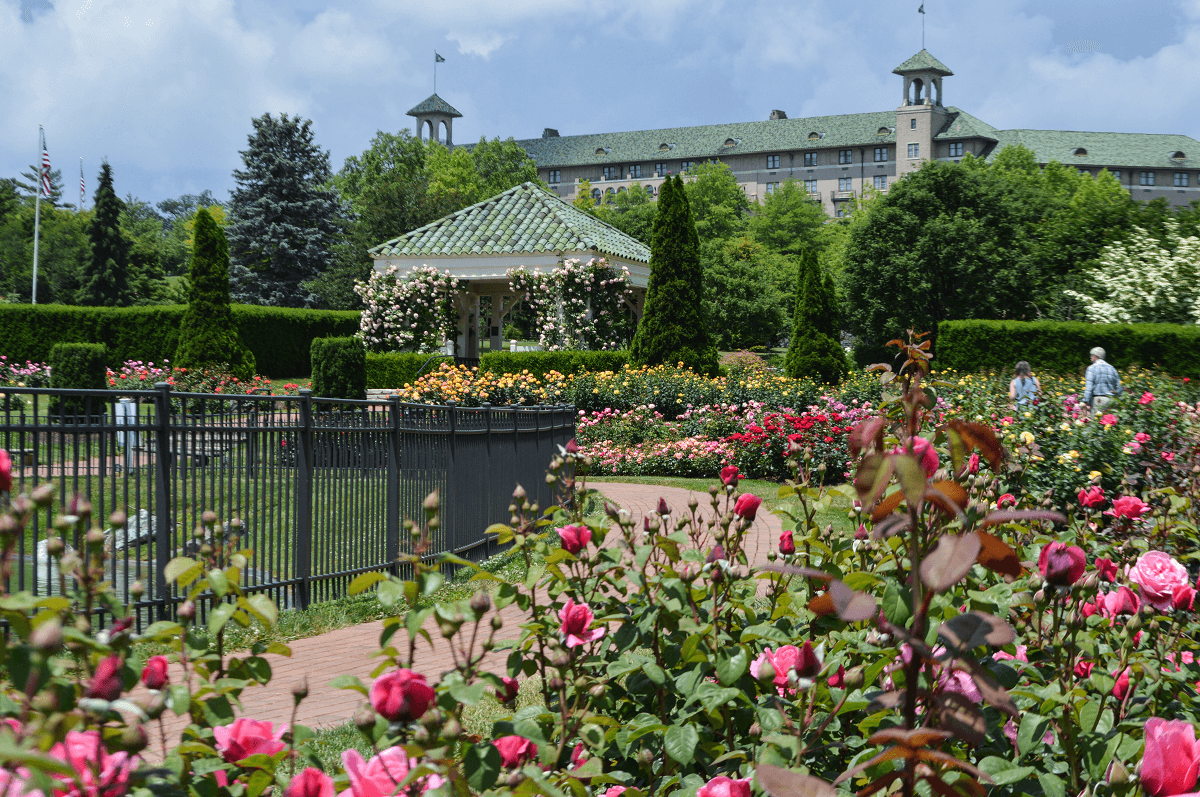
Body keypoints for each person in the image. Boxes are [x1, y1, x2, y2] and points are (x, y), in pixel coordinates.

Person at [1082, 346, 1122, 413]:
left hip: (1098, 400)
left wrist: (1085, 402)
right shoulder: (1112, 368)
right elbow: (1119, 388)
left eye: (1091, 355)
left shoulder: (1091, 368)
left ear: (1095, 356)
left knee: (1096, 422)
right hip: (1111, 401)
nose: (1090, 357)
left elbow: (1089, 388)